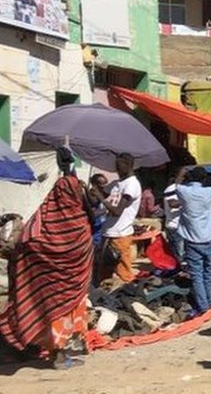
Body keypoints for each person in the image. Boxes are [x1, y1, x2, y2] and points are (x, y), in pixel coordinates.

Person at [0, 147, 93, 369]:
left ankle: (26, 345)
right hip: (70, 282)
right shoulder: (78, 220)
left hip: (43, 280)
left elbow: (28, 240)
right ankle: (58, 356)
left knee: (35, 305)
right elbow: (87, 223)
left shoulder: (45, 215)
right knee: (60, 313)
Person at [175, 166, 211, 314]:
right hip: (207, 239)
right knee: (208, 272)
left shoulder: (184, 192)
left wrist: (182, 171)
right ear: (204, 179)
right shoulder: (208, 192)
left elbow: (177, 183)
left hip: (192, 241)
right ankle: (209, 302)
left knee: (196, 274)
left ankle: (203, 306)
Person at [91, 153, 142, 283]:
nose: (117, 169)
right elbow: (95, 198)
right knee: (103, 268)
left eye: (119, 166)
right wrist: (93, 191)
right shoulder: (116, 184)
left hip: (121, 234)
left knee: (122, 270)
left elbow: (117, 211)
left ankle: (127, 294)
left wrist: (101, 197)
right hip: (107, 232)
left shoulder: (132, 185)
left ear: (128, 165)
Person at [162, 177, 183, 265]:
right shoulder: (171, 190)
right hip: (174, 226)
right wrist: (189, 200)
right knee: (179, 252)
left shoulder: (179, 189)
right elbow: (173, 204)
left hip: (176, 225)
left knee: (177, 250)